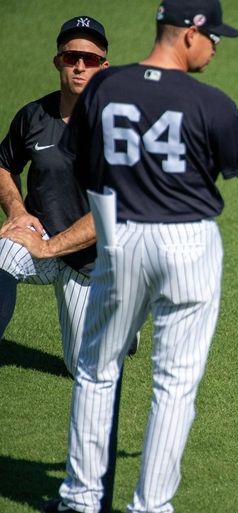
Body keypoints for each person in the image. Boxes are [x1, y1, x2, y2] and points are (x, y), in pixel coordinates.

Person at [28, 1, 238, 512]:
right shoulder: (208, 102)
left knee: (97, 371)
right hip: (188, 245)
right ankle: (150, 507)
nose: (216, 48)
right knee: (174, 384)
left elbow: (80, 159)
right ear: (190, 34)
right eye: (214, 38)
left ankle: (80, 500)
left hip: (121, 238)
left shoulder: (104, 86)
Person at [0, 16, 135, 373]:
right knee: (1, 253)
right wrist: (16, 211)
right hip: (39, 237)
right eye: (71, 56)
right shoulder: (33, 116)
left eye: (89, 59)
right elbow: (2, 164)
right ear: (57, 61)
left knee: (82, 367)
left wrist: (49, 246)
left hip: (92, 260)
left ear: (103, 68)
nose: (79, 65)